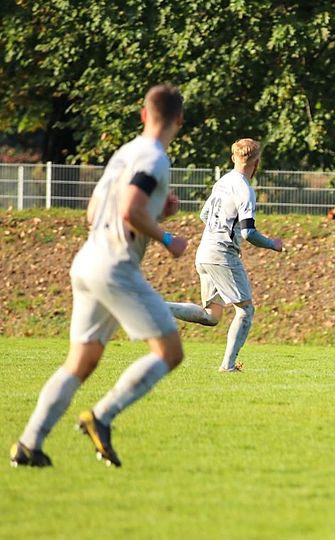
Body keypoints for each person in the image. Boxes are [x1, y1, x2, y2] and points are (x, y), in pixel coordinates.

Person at [9, 85, 188, 468]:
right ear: (179, 119)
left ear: (143, 115)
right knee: (170, 353)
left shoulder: (124, 153)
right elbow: (130, 209)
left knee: (81, 361)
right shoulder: (155, 157)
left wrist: (155, 214)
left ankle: (28, 444)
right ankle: (102, 416)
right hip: (115, 266)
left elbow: (94, 212)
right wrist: (167, 238)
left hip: (88, 260)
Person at [167, 139, 283, 372]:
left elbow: (204, 215)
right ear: (257, 162)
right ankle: (228, 366)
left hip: (205, 251)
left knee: (211, 316)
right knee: (246, 310)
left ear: (233, 158)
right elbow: (248, 232)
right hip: (222, 254)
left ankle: (157, 306)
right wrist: (273, 244)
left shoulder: (222, 182)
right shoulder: (245, 190)